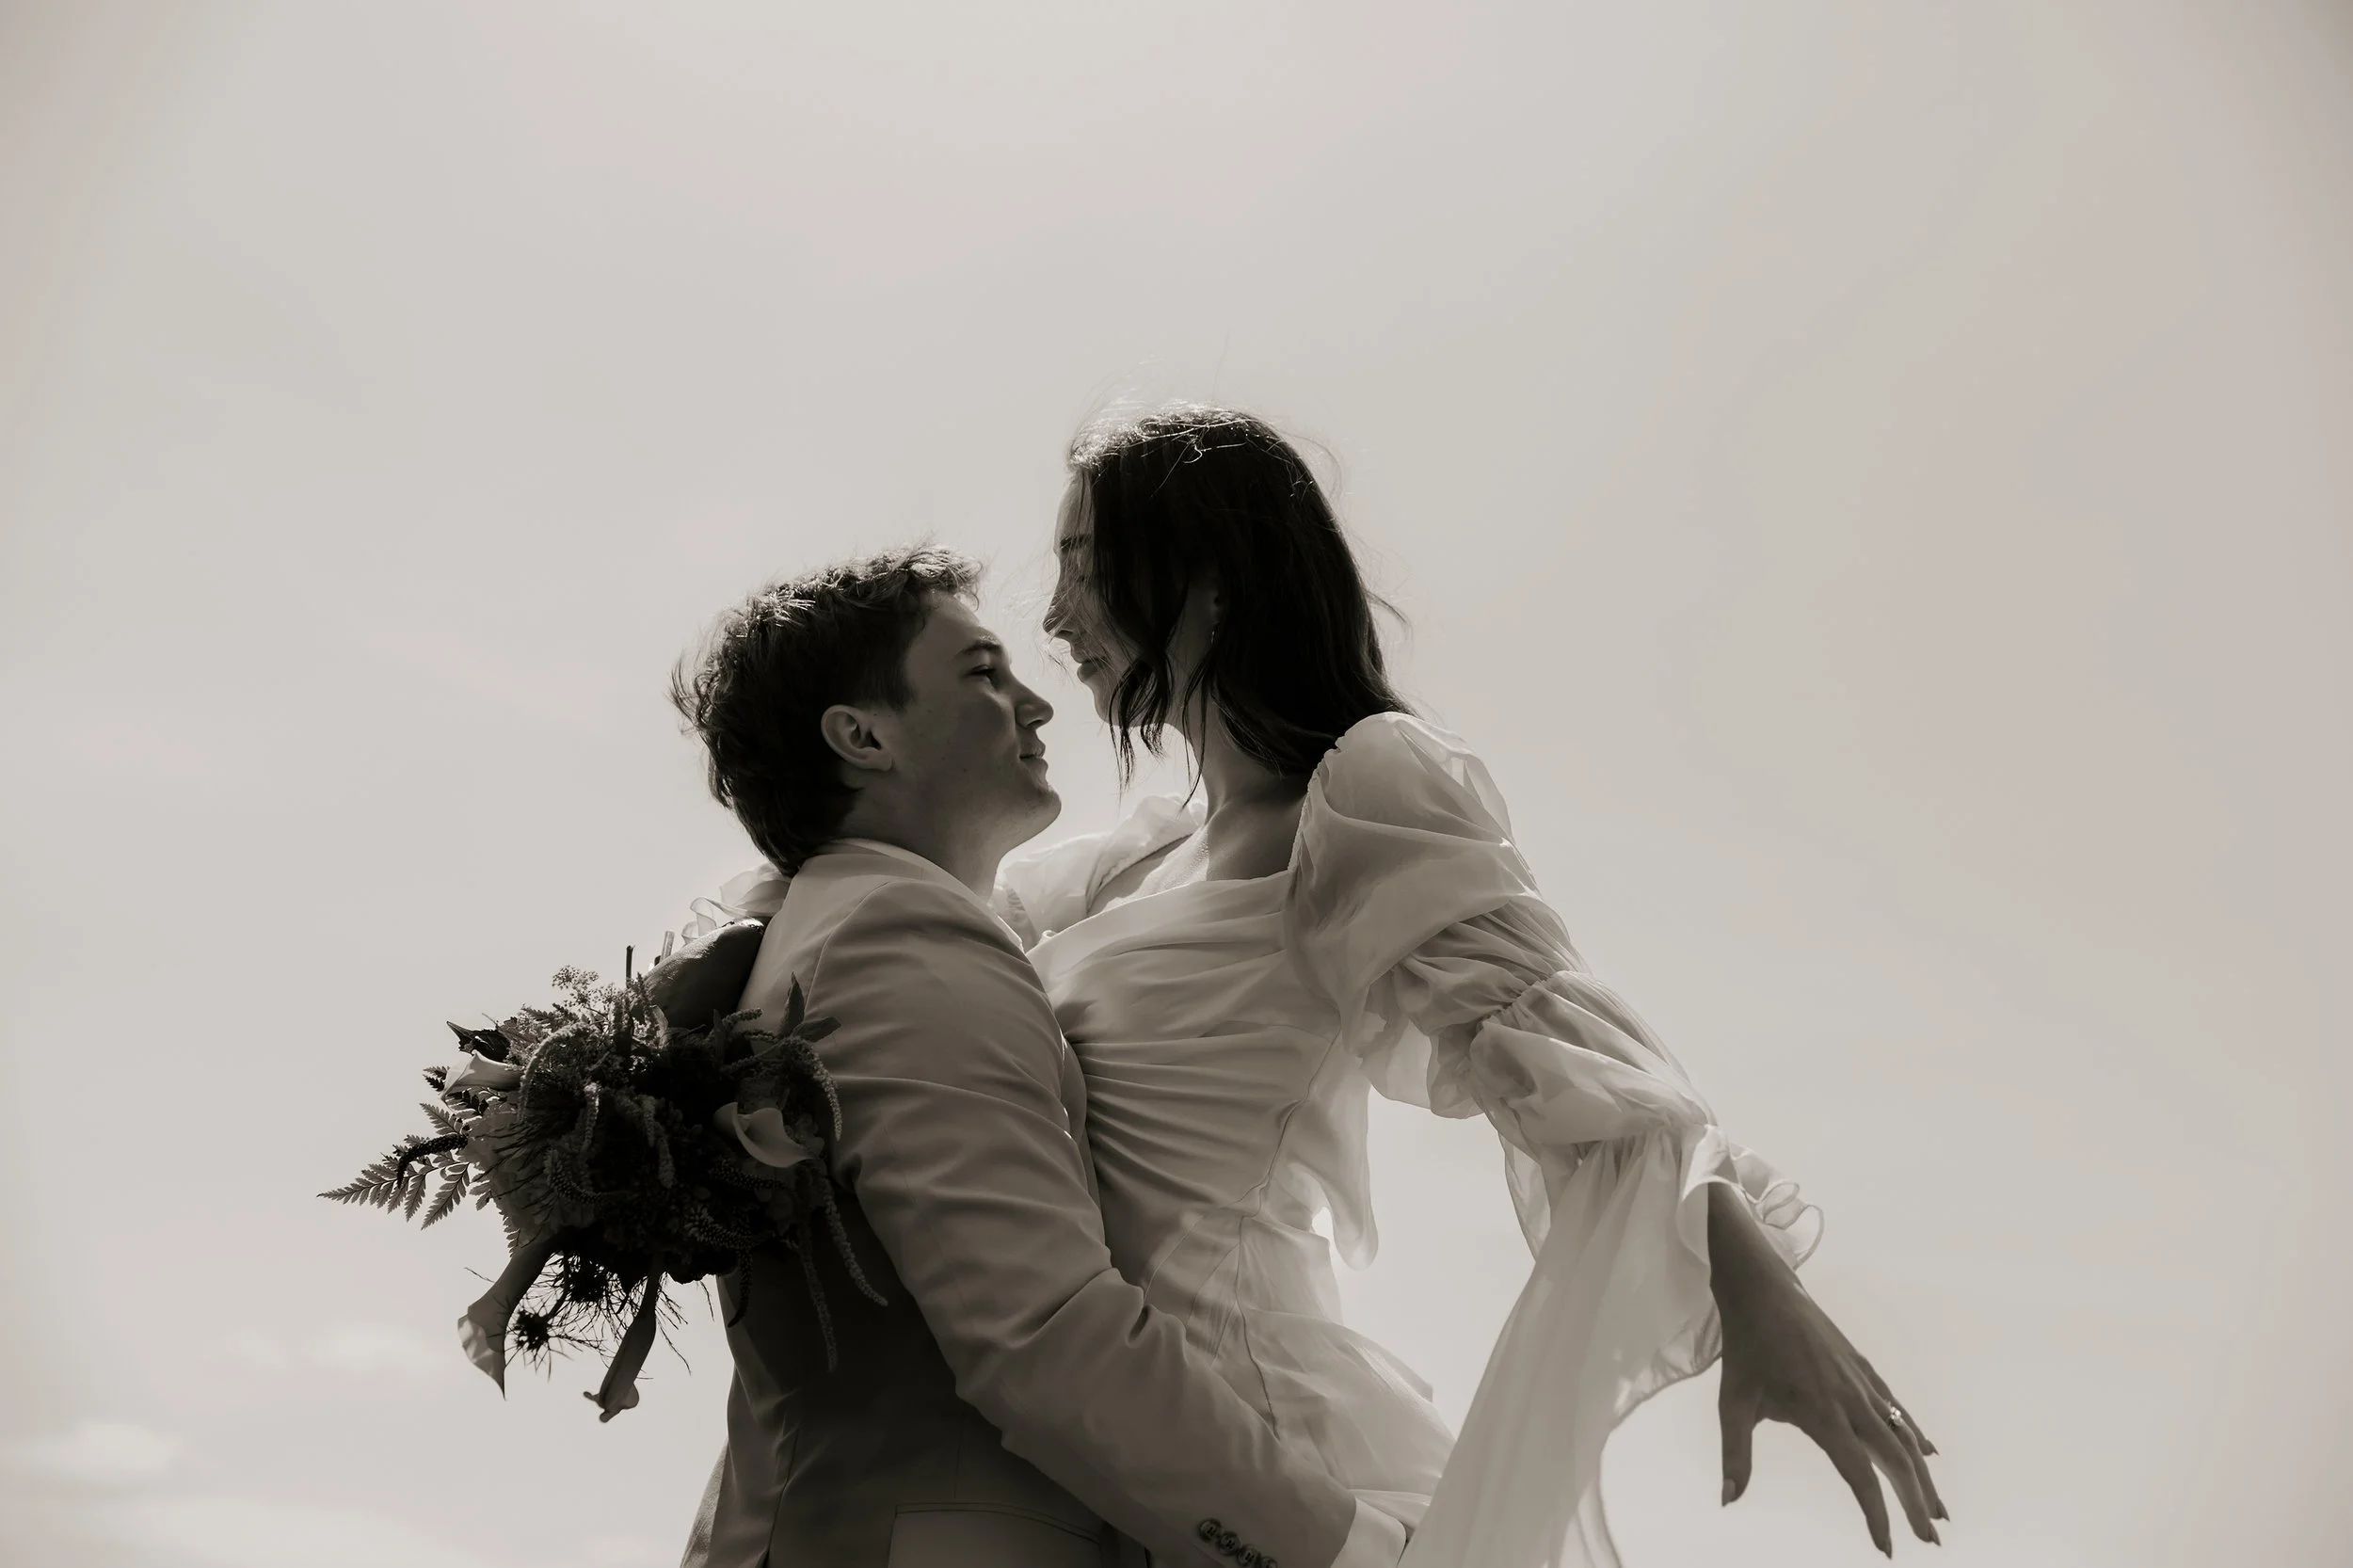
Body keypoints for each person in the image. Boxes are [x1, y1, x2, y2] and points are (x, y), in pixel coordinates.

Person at [990, 405, 1948, 1565]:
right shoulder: (1122, 864)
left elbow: (1577, 1059)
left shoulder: (1362, 791)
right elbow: (893, 908)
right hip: (1121, 1458)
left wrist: (1760, 1296)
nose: (1052, 618)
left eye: (1085, 568)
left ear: (1209, 584)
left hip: (1281, 1454)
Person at [661, 547, 1410, 1568]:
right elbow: (1045, 1332)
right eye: (980, 672)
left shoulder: (804, 931)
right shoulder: (899, 934)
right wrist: (1348, 1550)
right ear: (863, 735)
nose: (1034, 704)